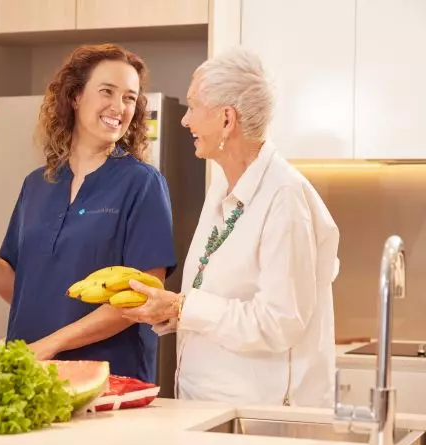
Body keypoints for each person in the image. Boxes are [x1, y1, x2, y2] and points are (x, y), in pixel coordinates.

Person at [0, 44, 177, 383]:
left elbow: (140, 301)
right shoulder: (38, 184)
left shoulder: (143, 184)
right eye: (107, 91)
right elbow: (21, 290)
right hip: (33, 377)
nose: (119, 107)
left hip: (108, 381)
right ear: (75, 96)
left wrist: (48, 346)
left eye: (130, 98)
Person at [119, 47, 340, 407]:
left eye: (193, 107)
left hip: (261, 417)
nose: (184, 120)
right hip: (207, 406)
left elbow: (279, 321)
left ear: (226, 119)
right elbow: (219, 302)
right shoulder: (222, 186)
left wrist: (180, 307)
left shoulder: (285, 197)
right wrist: (168, 311)